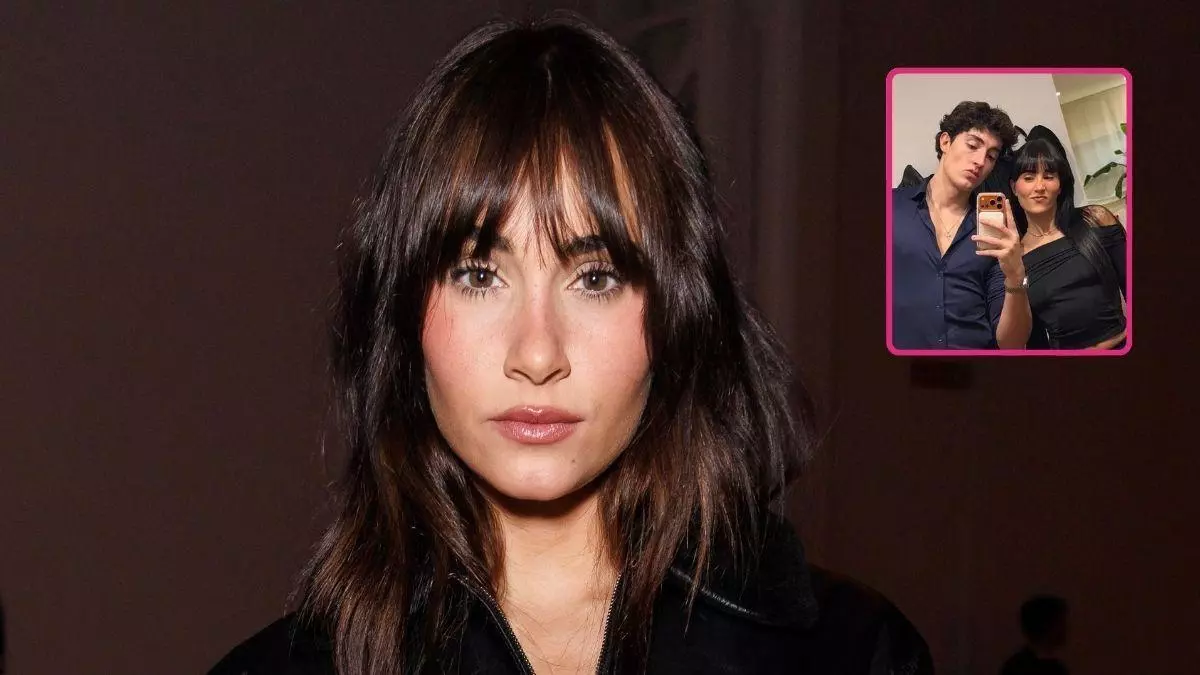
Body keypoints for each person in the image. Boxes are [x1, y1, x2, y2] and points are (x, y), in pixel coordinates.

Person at [209, 13, 933, 675]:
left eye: (595, 278)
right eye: (478, 275)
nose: (537, 354)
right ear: (401, 313)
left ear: (677, 313)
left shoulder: (853, 654)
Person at [892, 101, 1032, 349]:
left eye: (991, 156)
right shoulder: (892, 206)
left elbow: (1012, 343)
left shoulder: (994, 232)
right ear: (945, 142)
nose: (980, 161)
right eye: (973, 145)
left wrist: (1016, 276)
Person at [1008, 126, 1127, 349]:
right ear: (1014, 187)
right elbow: (1029, 339)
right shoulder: (1015, 256)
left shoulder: (1095, 219)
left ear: (1060, 185)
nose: (1040, 186)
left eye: (1049, 176)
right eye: (1029, 177)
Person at [999, 595, 1070, 675]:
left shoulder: (1056, 668)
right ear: (1047, 625)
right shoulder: (1018, 668)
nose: (1065, 628)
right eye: (1060, 623)